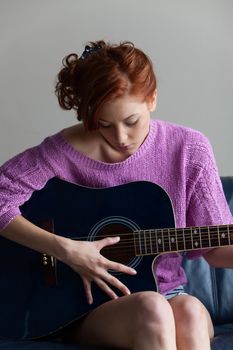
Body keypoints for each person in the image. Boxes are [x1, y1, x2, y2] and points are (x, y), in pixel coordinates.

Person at [0, 40, 233, 350]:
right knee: (152, 308)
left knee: (188, 310)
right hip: (88, 306)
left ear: (152, 99)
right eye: (104, 125)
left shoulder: (189, 149)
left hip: (170, 296)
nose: (120, 138)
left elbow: (217, 252)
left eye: (131, 122)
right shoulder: (61, 153)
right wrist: (66, 250)